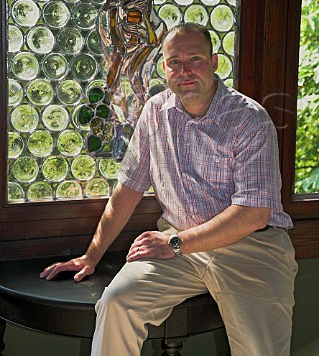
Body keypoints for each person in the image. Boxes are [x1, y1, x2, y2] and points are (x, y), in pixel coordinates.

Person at [40, 23, 297, 356]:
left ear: (215, 62)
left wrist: (174, 243)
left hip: (250, 246)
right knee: (117, 304)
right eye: (174, 61)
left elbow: (252, 213)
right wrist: (92, 255)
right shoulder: (155, 112)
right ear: (164, 68)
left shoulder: (249, 119)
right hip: (180, 248)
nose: (184, 70)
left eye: (195, 59)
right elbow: (128, 187)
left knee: (259, 350)